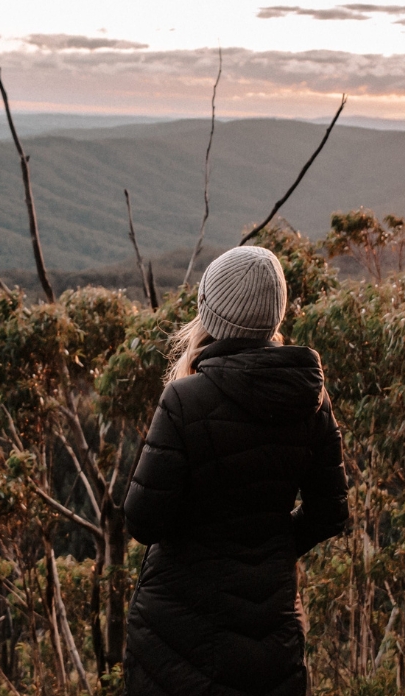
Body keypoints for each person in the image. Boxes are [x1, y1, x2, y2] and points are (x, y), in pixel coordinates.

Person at [123, 245, 350, 696]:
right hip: (272, 632)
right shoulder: (310, 399)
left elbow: (143, 521)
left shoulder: (185, 399)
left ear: (209, 314)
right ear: (276, 317)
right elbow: (330, 513)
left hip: (177, 633)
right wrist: (272, 546)